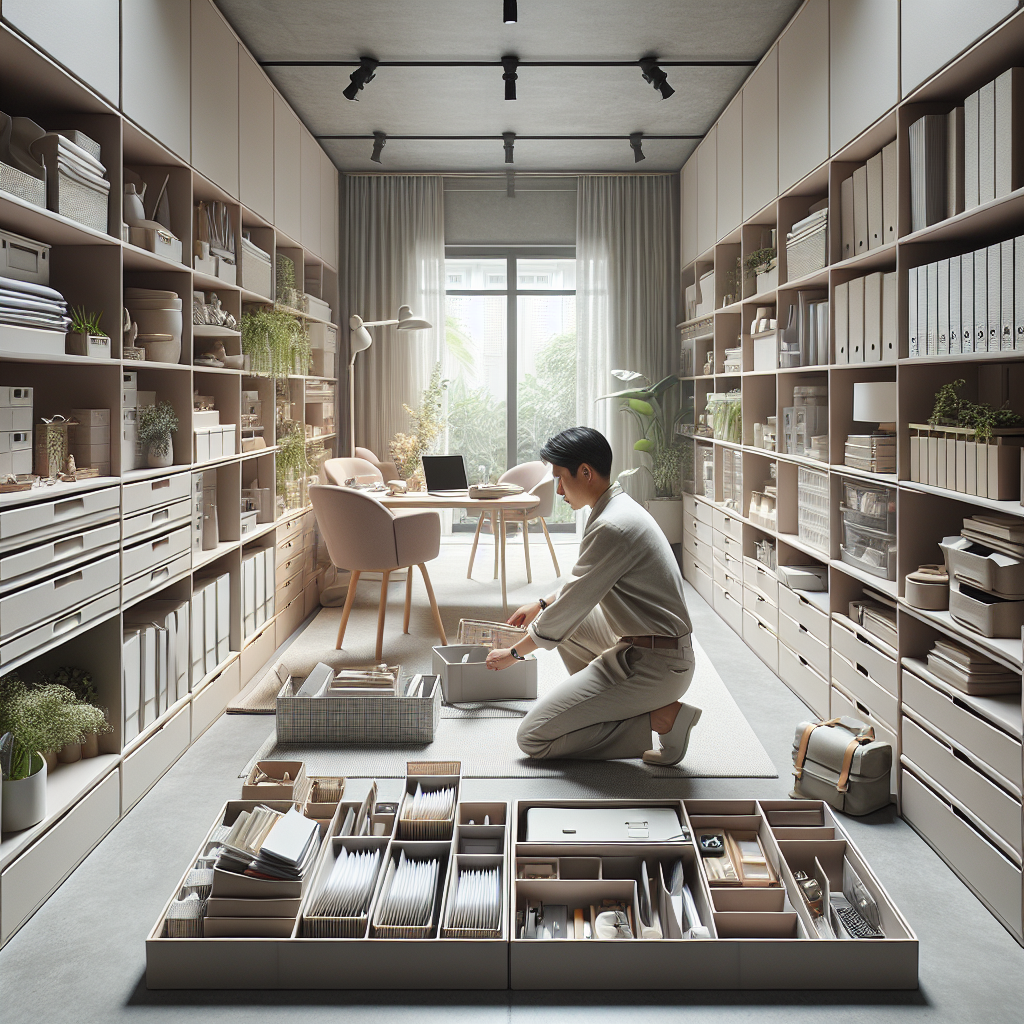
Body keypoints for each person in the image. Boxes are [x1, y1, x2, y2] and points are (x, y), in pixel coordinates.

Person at [485, 426, 701, 764]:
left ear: (585, 472)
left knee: (533, 737)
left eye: (560, 478)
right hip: (649, 646)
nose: (557, 489)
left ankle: (660, 717)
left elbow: (569, 608)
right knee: (566, 623)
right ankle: (606, 701)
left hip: (657, 666)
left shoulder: (612, 526)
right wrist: (541, 603)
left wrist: (514, 652)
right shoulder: (617, 507)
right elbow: (582, 585)